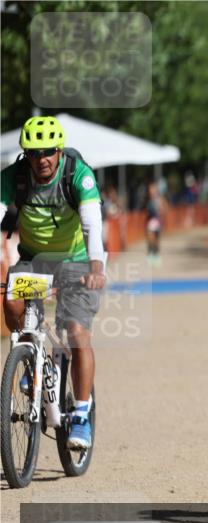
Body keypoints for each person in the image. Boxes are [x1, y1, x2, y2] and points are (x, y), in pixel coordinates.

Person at [0, 116, 105, 450]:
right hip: (34, 259)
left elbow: (91, 224)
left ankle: (82, 413)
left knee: (76, 332)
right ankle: (30, 351)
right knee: (12, 303)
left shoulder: (78, 175)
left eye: (47, 151)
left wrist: (97, 265)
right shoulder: (14, 177)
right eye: (33, 152)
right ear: (26, 155)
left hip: (76, 262)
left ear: (59, 151)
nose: (41, 158)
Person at [145, 180, 164, 265]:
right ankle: (150, 254)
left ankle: (156, 255)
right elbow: (146, 211)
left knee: (156, 239)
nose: (152, 190)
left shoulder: (159, 199)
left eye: (153, 189)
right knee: (150, 239)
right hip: (150, 221)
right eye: (150, 189)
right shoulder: (148, 199)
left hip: (157, 221)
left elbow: (163, 209)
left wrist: (160, 210)